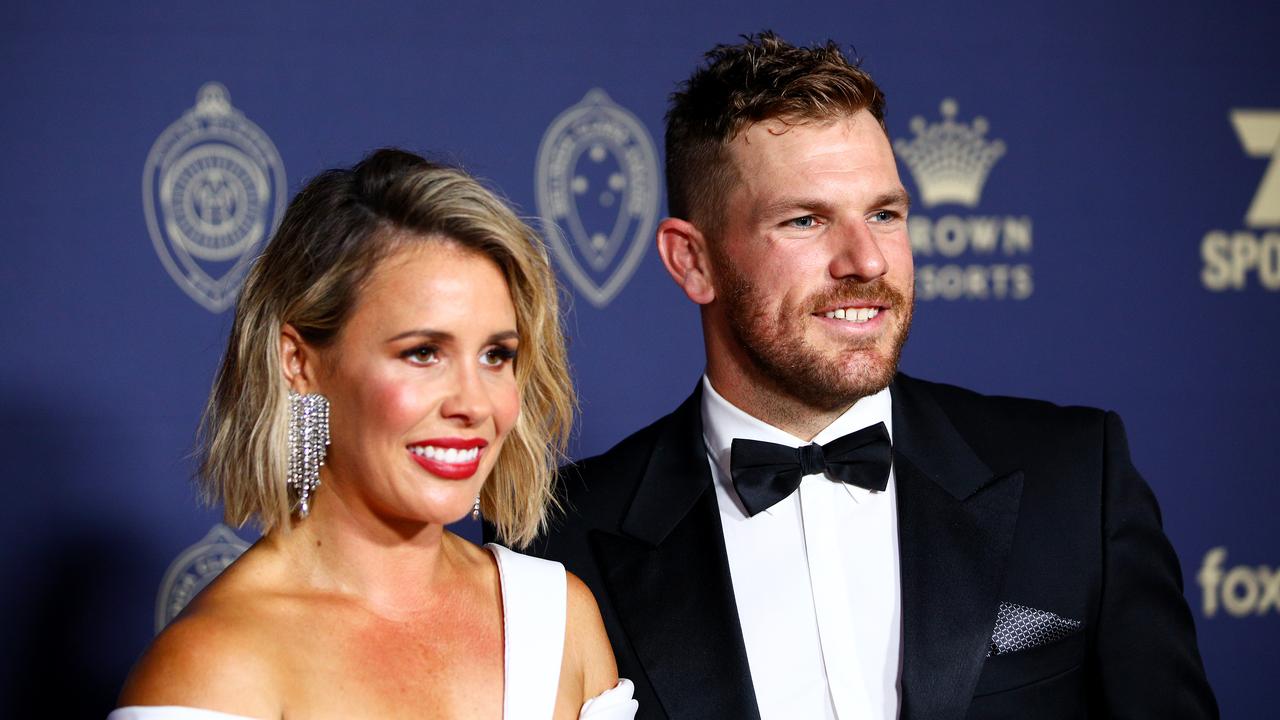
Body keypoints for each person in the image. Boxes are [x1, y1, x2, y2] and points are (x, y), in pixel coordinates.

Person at [529, 33, 1218, 719]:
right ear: (692, 261)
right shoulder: (557, 546)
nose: (866, 260)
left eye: (885, 214)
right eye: (805, 221)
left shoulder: (1075, 479)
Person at [112, 149, 638, 719]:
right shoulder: (214, 665)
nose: (473, 404)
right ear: (299, 362)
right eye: (423, 353)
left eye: (495, 355)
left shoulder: (559, 616)